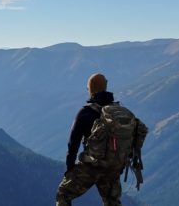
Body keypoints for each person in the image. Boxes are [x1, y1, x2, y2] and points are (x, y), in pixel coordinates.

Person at [55, 73, 148, 206]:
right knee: (112, 202)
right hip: (113, 167)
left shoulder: (85, 112)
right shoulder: (119, 111)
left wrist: (70, 169)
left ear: (90, 89)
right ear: (105, 87)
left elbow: (73, 143)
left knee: (63, 193)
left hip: (92, 166)